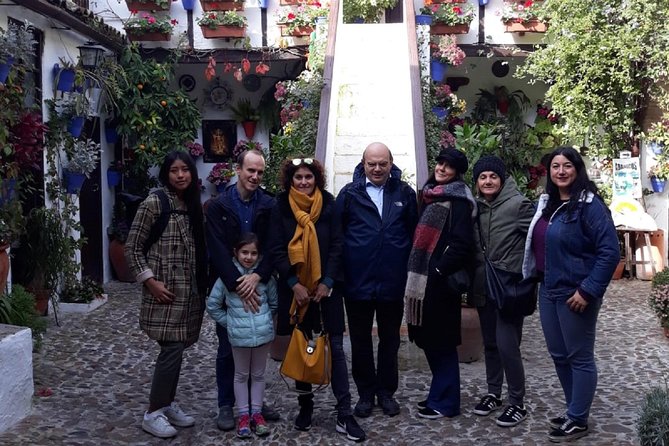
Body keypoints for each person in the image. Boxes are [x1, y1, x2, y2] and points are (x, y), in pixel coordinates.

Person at [522, 146, 619, 442]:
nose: (560, 171)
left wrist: (588, 291)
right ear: (549, 172)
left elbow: (610, 251)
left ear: (577, 169)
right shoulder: (547, 204)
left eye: (567, 165)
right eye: (555, 166)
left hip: (575, 293)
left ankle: (578, 419)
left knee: (579, 357)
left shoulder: (589, 206)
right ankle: (573, 410)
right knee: (559, 355)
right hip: (548, 289)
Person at [270, 157, 366, 442]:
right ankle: (306, 406)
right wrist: (293, 283)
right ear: (291, 180)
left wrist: (327, 281)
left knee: (335, 348)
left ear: (317, 179)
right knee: (303, 347)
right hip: (296, 291)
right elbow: (275, 248)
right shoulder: (281, 206)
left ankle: (344, 412)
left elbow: (338, 244)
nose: (303, 182)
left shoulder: (329, 205)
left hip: (327, 291)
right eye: (298, 177)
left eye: (308, 177)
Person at [125, 150, 208, 439]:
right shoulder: (154, 203)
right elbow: (132, 247)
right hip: (164, 293)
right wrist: (150, 282)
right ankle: (153, 412)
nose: (181, 175)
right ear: (166, 173)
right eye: (174, 170)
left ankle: (167, 403)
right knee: (171, 349)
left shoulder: (192, 205)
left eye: (185, 169)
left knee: (178, 348)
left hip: (189, 294)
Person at [336, 142, 417, 418]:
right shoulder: (349, 195)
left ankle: (386, 392)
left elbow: (413, 232)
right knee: (359, 340)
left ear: (391, 163)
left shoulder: (405, 194)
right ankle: (365, 393)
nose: (378, 168)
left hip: (392, 282)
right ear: (363, 164)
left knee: (390, 340)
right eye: (372, 163)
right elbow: (338, 236)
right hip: (358, 282)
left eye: (383, 163)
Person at [205, 148, 279, 430]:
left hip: (259, 284)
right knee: (228, 348)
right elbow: (217, 249)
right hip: (230, 288)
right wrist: (239, 284)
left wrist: (258, 276)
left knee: (257, 345)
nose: (255, 176)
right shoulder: (219, 206)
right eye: (250, 170)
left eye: (260, 172)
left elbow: (274, 245)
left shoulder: (270, 205)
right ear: (238, 170)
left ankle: (254, 406)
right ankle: (227, 404)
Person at [404, 147, 476, 420]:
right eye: (440, 163)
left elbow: (461, 244)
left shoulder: (458, 200)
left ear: (457, 172)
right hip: (425, 284)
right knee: (430, 341)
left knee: (442, 344)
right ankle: (438, 394)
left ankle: (446, 402)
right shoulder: (431, 195)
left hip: (440, 284)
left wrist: (436, 270)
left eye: (448, 166)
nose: (441, 168)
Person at [470, 156, 535, 427]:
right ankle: (493, 393)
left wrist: (526, 273)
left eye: (492, 177)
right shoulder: (476, 207)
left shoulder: (518, 205)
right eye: (482, 177)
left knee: (508, 346)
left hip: (510, 288)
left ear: (502, 179)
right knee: (490, 344)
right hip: (484, 286)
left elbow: (537, 240)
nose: (487, 181)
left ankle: (517, 402)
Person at [206, 233, 278, 439]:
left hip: (262, 337)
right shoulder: (227, 278)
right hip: (238, 339)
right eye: (244, 252)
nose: (248, 257)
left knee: (258, 375)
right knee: (240, 375)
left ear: (259, 255)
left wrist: (263, 320)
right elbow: (212, 305)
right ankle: (243, 415)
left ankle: (257, 414)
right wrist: (231, 324)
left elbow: (274, 303)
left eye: (253, 253)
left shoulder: (265, 279)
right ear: (236, 253)